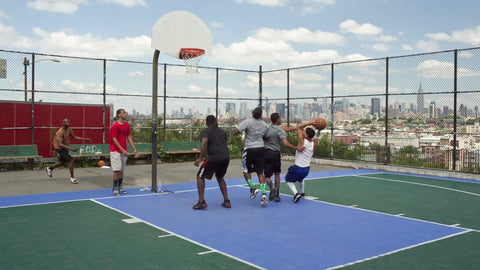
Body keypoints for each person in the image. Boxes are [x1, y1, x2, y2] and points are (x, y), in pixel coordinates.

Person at [233, 107, 271, 206]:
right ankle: (263, 193)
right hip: (260, 149)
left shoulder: (247, 122)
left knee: (245, 170)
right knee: (260, 172)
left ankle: (252, 188)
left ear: (253, 113)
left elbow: (235, 132)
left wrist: (240, 129)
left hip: (249, 149)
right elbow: (267, 137)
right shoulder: (264, 124)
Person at [264, 113, 304, 202]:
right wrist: (296, 148)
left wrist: (297, 128)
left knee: (267, 176)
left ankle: (272, 188)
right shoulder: (280, 130)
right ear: (277, 119)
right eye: (280, 117)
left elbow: (287, 129)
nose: (281, 119)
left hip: (266, 153)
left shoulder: (267, 128)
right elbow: (286, 144)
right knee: (277, 174)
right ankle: (277, 194)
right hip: (275, 153)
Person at [193, 115, 231, 210]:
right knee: (220, 177)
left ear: (206, 123)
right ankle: (226, 201)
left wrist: (200, 158)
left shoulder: (206, 131)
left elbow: (204, 142)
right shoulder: (222, 131)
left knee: (200, 176)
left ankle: (201, 202)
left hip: (213, 157)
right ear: (215, 122)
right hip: (226, 157)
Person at [45, 118, 90, 184]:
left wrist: (85, 139)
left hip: (65, 148)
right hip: (59, 148)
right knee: (70, 160)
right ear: (63, 123)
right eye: (66, 122)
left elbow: (74, 137)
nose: (68, 123)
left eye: (68, 122)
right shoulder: (60, 132)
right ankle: (72, 178)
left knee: (62, 162)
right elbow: (60, 144)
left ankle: (49, 168)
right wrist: (71, 148)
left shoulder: (69, 129)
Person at [285, 120, 319, 203]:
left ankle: (296, 194)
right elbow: (316, 137)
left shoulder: (302, 142)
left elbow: (299, 127)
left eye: (304, 132)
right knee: (300, 179)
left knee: (288, 180)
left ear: (307, 135)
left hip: (298, 168)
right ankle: (302, 193)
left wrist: (311, 123)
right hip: (306, 169)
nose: (303, 132)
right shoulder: (313, 144)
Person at [109, 109, 138, 196]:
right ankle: (115, 187)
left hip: (123, 151)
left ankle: (120, 186)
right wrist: (122, 150)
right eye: (124, 113)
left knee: (121, 170)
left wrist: (134, 149)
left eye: (126, 113)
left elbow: (129, 137)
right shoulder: (114, 126)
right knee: (116, 170)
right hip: (115, 150)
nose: (126, 114)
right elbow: (114, 139)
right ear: (119, 115)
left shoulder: (126, 125)